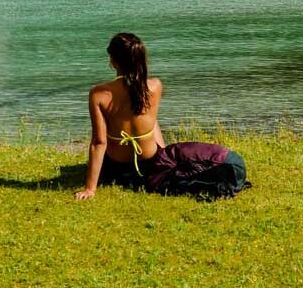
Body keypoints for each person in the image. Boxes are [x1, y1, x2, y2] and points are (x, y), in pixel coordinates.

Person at [75, 32, 249, 201]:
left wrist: (90, 188)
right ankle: (162, 157)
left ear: (113, 62)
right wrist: (164, 157)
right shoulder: (154, 86)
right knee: (149, 119)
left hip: (118, 167)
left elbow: (99, 142)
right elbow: (150, 122)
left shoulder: (99, 94)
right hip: (151, 162)